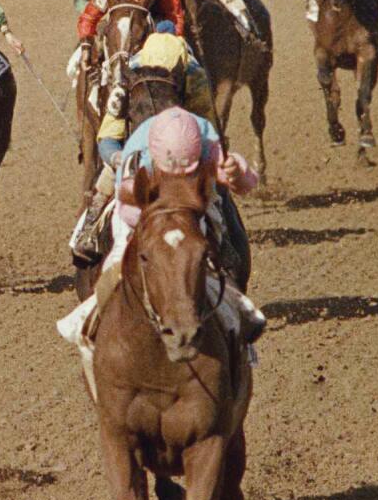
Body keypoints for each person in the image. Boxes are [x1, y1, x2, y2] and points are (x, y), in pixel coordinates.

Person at [56, 105, 265, 370]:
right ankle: (91, 317)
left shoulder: (206, 136)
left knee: (217, 258)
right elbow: (127, 207)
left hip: (192, 208)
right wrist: (156, 224)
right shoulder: (138, 150)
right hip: (141, 212)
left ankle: (240, 329)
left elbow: (242, 182)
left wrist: (237, 170)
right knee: (118, 258)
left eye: (186, 170)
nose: (179, 174)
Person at [69, 29, 215, 261]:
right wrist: (118, 158)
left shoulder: (195, 80)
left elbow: (207, 130)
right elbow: (108, 137)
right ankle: (89, 229)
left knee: (219, 195)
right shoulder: (126, 80)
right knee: (105, 178)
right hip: (135, 149)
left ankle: (227, 240)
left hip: (183, 150)